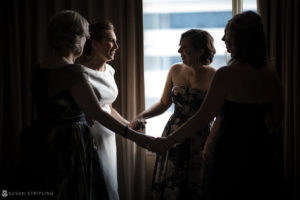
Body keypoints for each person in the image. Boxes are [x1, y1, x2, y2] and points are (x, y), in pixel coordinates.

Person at [18, 10, 153, 200]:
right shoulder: (72, 71)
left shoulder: (42, 67)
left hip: (43, 141)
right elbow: (98, 112)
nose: (86, 41)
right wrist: (139, 138)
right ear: (74, 38)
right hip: (69, 144)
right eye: (84, 36)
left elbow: (61, 104)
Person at [150, 11, 283, 200]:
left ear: (239, 40)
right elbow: (275, 122)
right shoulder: (272, 77)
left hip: (228, 153)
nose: (222, 39)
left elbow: (202, 118)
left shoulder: (225, 74)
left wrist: (168, 141)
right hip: (260, 154)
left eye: (227, 35)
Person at [130, 29, 218, 199]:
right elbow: (164, 103)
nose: (179, 51)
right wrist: (141, 116)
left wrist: (211, 141)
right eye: (180, 47)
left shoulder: (214, 75)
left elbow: (216, 114)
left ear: (200, 50)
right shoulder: (175, 70)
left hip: (200, 136)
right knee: (171, 182)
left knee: (196, 184)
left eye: (184, 48)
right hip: (173, 133)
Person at [76, 20, 139, 200]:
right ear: (94, 44)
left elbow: (108, 107)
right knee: (94, 187)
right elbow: (90, 109)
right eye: (111, 41)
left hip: (108, 138)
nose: (116, 46)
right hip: (90, 137)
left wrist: (129, 124)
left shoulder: (109, 71)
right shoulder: (80, 72)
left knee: (111, 187)